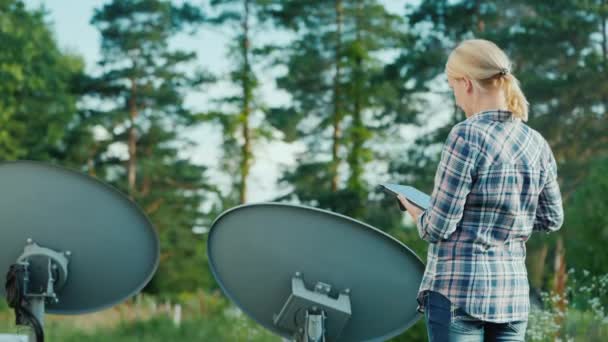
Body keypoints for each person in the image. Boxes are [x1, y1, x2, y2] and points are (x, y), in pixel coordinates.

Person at [398, 39, 564, 341]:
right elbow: (552, 218)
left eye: (453, 88)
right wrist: (508, 221)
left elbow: (437, 227)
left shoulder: (466, 135)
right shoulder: (536, 142)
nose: (457, 99)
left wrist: (415, 209)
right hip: (512, 297)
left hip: (459, 294)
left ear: (467, 83)